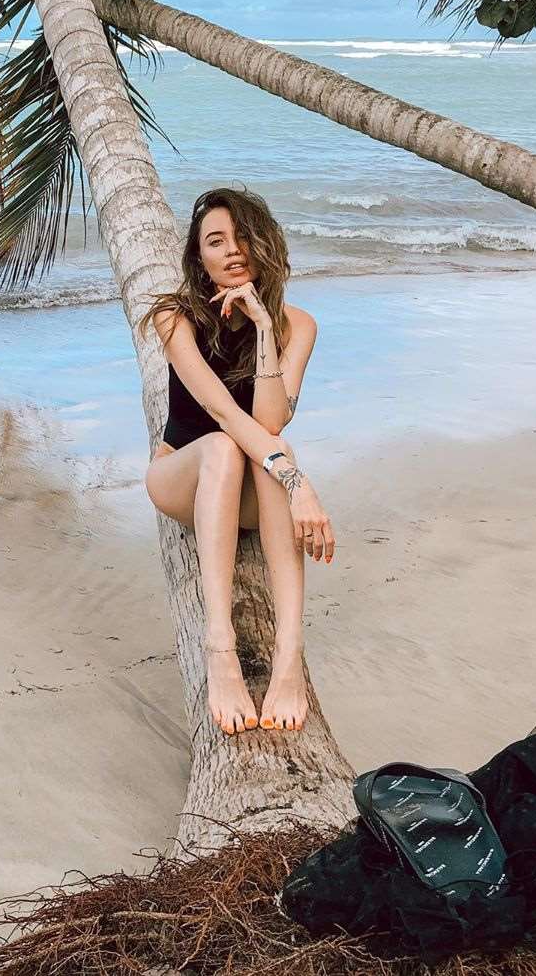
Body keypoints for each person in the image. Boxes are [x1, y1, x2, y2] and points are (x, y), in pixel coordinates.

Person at [138, 186, 335, 739]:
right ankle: (219, 645)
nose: (231, 251)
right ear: (198, 258)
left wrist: (265, 329)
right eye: (215, 241)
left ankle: (289, 652)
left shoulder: (297, 325)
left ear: (264, 242)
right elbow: (225, 415)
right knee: (230, 446)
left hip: (247, 491)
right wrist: (299, 485)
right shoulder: (175, 318)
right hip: (181, 478)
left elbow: (270, 420)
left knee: (270, 450)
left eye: (241, 237)